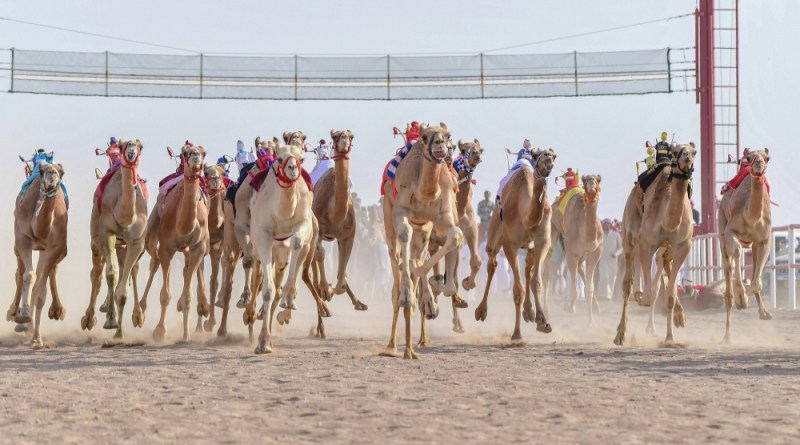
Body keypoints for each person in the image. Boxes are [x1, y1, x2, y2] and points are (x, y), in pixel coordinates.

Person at [597, 218, 622, 301]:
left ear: (611, 225)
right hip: (603, 260)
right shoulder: (600, 235)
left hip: (613, 262)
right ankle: (601, 295)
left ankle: (608, 297)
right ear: (603, 225)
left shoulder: (616, 235)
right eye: (605, 224)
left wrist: (616, 254)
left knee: (611, 279)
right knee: (604, 276)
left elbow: (621, 247)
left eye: (608, 224)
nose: (607, 226)